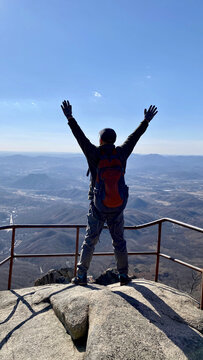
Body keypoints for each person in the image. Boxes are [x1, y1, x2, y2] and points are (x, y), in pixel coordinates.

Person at [61, 100, 158, 285]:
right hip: (117, 206)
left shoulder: (94, 153)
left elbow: (79, 136)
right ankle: (123, 275)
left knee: (90, 240)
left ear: (100, 140)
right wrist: (145, 121)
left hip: (97, 206)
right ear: (113, 140)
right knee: (119, 241)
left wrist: (70, 117)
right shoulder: (121, 153)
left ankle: (81, 276)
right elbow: (134, 137)